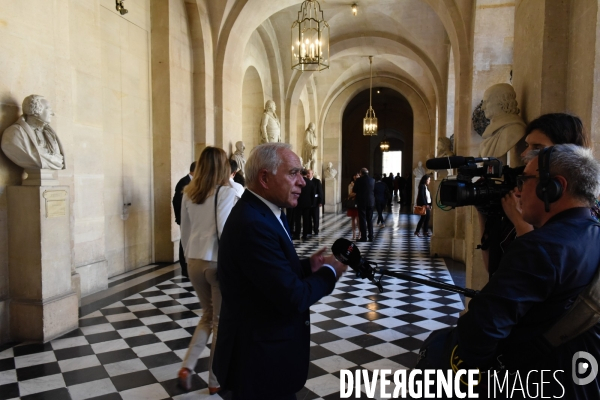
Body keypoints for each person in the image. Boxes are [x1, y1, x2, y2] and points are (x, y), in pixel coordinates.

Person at [456, 144, 600, 399]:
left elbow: (480, 332)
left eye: (525, 180)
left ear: (554, 187)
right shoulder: (593, 232)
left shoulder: (540, 248)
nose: (518, 190)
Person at [213, 142, 347, 400]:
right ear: (264, 177)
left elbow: (267, 273)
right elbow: (292, 297)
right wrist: (330, 272)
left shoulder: (269, 211)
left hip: (266, 356)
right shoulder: (253, 223)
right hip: (257, 362)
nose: (302, 182)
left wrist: (308, 266)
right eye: (293, 173)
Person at [480, 113, 593, 274]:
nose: (524, 154)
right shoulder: (518, 196)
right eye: (527, 145)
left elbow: (537, 274)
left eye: (537, 148)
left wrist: (521, 224)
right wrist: (484, 210)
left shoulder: (586, 213)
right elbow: (495, 269)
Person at [177, 147, 238, 395]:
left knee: (207, 316)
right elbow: (225, 229)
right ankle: (214, 380)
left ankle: (188, 366)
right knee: (220, 324)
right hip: (216, 262)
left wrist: (188, 258)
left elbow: (184, 232)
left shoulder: (188, 193)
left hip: (193, 260)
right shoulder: (226, 191)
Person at [1, 94, 65, 170]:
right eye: (48, 109)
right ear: (35, 110)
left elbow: (59, 159)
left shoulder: (50, 134)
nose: (53, 114)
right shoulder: (13, 134)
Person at [478, 83, 526, 167]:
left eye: (486, 102)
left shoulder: (514, 129)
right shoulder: (494, 131)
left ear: (501, 102)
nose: (483, 107)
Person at [172, 161, 196, 278]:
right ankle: (184, 267)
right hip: (184, 218)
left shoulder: (193, 182)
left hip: (192, 219)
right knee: (184, 242)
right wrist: (179, 218)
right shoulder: (184, 182)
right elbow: (176, 202)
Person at [353, 168, 375, 242]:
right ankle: (371, 237)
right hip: (370, 202)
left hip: (362, 202)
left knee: (362, 220)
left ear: (361, 173)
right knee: (370, 219)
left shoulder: (359, 180)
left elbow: (354, 190)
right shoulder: (372, 180)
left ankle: (364, 237)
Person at [293, 169, 314, 240]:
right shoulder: (310, 182)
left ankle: (297, 234)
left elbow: (295, 191)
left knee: (297, 220)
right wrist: (312, 203)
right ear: (306, 174)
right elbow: (312, 194)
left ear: (301, 173)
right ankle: (305, 235)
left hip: (298, 203)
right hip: (307, 204)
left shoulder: (298, 181)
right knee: (306, 220)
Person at [306, 169, 323, 235]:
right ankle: (309, 230)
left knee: (315, 217)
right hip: (307, 203)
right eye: (307, 173)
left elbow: (320, 192)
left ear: (312, 174)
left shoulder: (317, 181)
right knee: (308, 217)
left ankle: (316, 229)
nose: (307, 174)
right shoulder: (305, 181)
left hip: (315, 203)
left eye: (309, 173)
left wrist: (320, 201)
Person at [347, 173, 360, 240]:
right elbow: (349, 194)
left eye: (357, 175)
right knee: (353, 219)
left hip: (359, 203)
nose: (356, 176)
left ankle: (360, 234)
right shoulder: (350, 185)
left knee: (359, 219)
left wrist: (355, 193)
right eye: (355, 175)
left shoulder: (361, 184)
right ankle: (354, 234)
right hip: (352, 203)